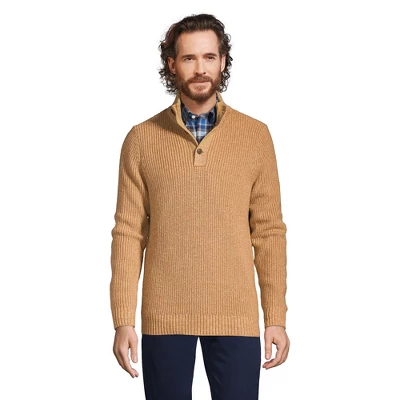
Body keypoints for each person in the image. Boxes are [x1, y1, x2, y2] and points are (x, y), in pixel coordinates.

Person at [109, 13, 290, 400]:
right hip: (164, 315)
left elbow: (269, 232)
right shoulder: (141, 139)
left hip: (236, 314)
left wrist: (275, 317)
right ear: (172, 64)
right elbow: (128, 233)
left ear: (222, 61)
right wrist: (123, 320)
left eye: (209, 57)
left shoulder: (255, 136)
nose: (200, 69)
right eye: (189, 58)